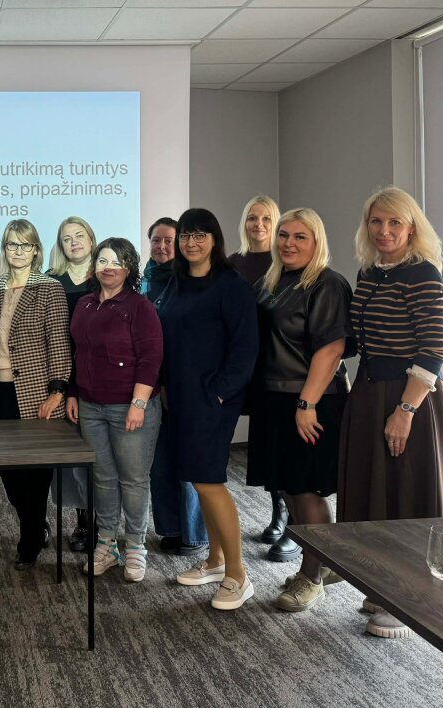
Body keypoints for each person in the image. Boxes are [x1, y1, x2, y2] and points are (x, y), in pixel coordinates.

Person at [339, 186, 443, 639]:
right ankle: (382, 586)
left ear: (412, 228)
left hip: (409, 399)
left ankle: (410, 599)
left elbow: (433, 351)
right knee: (376, 495)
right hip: (369, 393)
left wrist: (406, 410)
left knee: (407, 498)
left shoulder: (424, 273)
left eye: (395, 222)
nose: (384, 230)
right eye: (376, 221)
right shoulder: (370, 272)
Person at [246, 209, 351, 613]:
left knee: (307, 490)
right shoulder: (272, 281)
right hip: (274, 399)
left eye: (300, 237)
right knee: (289, 488)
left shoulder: (327, 283)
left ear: (317, 241)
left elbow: (332, 349)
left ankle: (312, 577)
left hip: (310, 400)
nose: (288, 243)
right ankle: (322, 560)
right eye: (284, 235)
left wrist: (307, 404)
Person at [163, 209, 258, 610]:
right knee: (200, 479)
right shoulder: (178, 282)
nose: (191, 242)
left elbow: (246, 348)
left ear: (215, 239)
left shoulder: (230, 285)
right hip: (181, 396)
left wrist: (219, 393)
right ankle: (216, 561)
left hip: (212, 399)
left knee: (208, 481)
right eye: (185, 235)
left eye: (200, 235)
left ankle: (238, 575)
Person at [0, 219, 71, 569]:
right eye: (12, 244)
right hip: (1, 394)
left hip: (38, 395)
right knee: (10, 474)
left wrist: (57, 390)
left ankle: (30, 538)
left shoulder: (50, 288)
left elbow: (58, 343)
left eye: (25, 245)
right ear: (4, 248)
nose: (18, 251)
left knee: (36, 474)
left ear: (36, 250)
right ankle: (35, 524)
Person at [67, 238, 163, 582]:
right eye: (103, 261)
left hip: (130, 407)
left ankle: (135, 546)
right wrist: (73, 393)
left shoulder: (140, 307)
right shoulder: (84, 304)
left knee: (133, 480)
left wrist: (138, 403)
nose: (109, 268)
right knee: (103, 479)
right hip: (90, 407)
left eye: (117, 262)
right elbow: (78, 353)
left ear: (129, 268)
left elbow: (151, 359)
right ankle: (107, 544)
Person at [228, 194, 294, 558]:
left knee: (282, 444)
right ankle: (275, 511)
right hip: (245, 364)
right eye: (253, 218)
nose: (259, 225)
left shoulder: (285, 261)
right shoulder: (232, 263)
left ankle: (283, 516)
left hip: (279, 365)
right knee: (265, 443)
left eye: (267, 219)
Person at [144, 216, 209, 558]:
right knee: (160, 463)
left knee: (189, 463)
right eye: (156, 240)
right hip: (153, 387)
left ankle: (194, 533)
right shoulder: (141, 280)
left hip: (186, 385)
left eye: (169, 240)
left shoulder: (191, 281)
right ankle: (170, 528)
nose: (162, 246)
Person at [46, 216, 97, 552]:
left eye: (79, 236)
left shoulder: (106, 275)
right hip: (63, 374)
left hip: (99, 374)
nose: (74, 242)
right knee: (73, 457)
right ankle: (83, 520)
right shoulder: (51, 280)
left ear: (91, 240)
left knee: (100, 454)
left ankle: (104, 523)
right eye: (67, 238)